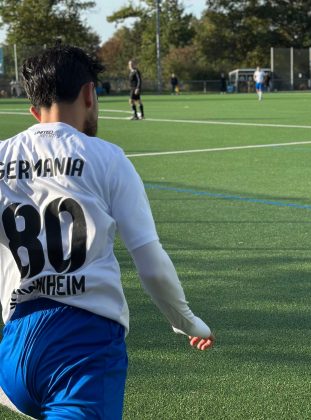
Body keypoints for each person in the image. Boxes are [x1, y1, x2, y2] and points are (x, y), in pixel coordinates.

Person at [0, 45, 214, 419]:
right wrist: (187, 322)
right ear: (89, 94)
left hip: (14, 351)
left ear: (34, 111)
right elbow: (151, 264)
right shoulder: (107, 157)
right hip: (81, 349)